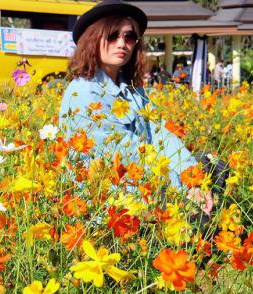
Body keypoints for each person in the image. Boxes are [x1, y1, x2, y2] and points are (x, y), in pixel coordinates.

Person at [59, 0, 213, 214]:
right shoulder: (83, 94)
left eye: (129, 37)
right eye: (113, 35)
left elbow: (159, 134)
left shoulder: (132, 89)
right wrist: (183, 189)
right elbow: (126, 159)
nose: (121, 43)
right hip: (114, 207)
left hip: (149, 189)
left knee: (213, 168)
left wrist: (192, 177)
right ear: (92, 39)